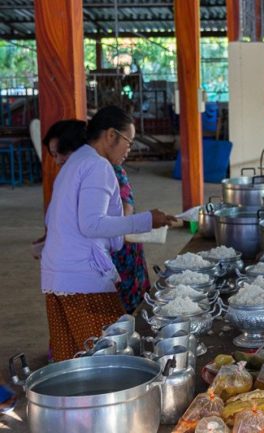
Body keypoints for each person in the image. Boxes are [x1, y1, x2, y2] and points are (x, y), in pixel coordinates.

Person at [41, 105, 177, 361]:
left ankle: (73, 400)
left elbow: (56, 218)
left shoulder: (75, 161)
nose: (129, 149)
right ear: (111, 135)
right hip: (81, 278)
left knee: (71, 358)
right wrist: (147, 220)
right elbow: (92, 224)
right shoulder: (98, 166)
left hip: (57, 275)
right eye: (129, 141)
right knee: (109, 354)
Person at [31, 120, 88, 259]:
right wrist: (49, 237)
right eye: (54, 155)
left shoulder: (100, 174)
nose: (58, 160)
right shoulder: (64, 176)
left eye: (63, 152)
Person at [111, 164, 151, 313]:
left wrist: (121, 230)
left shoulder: (114, 169)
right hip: (116, 240)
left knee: (130, 303)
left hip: (122, 243)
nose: (128, 148)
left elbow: (127, 204)